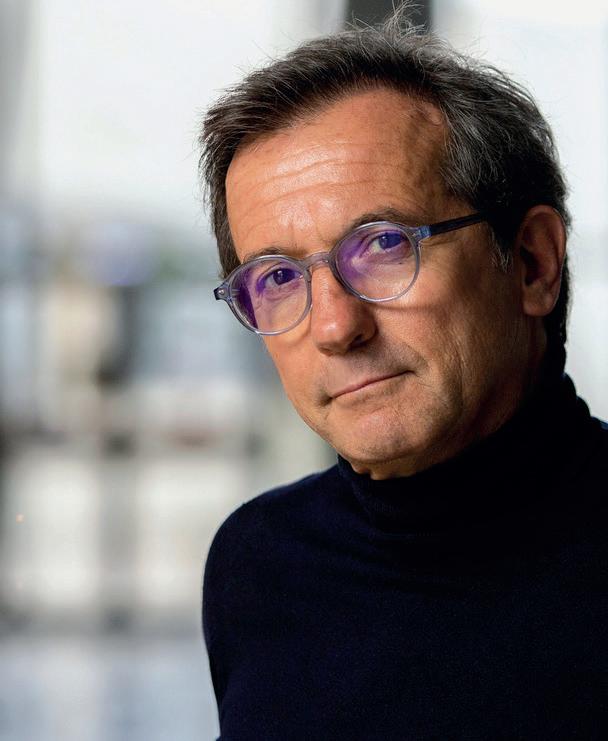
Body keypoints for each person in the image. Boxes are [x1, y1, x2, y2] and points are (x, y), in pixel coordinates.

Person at [199, 8, 608, 739]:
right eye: (278, 278)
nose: (335, 327)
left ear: (533, 263)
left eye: (384, 244)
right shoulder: (258, 564)